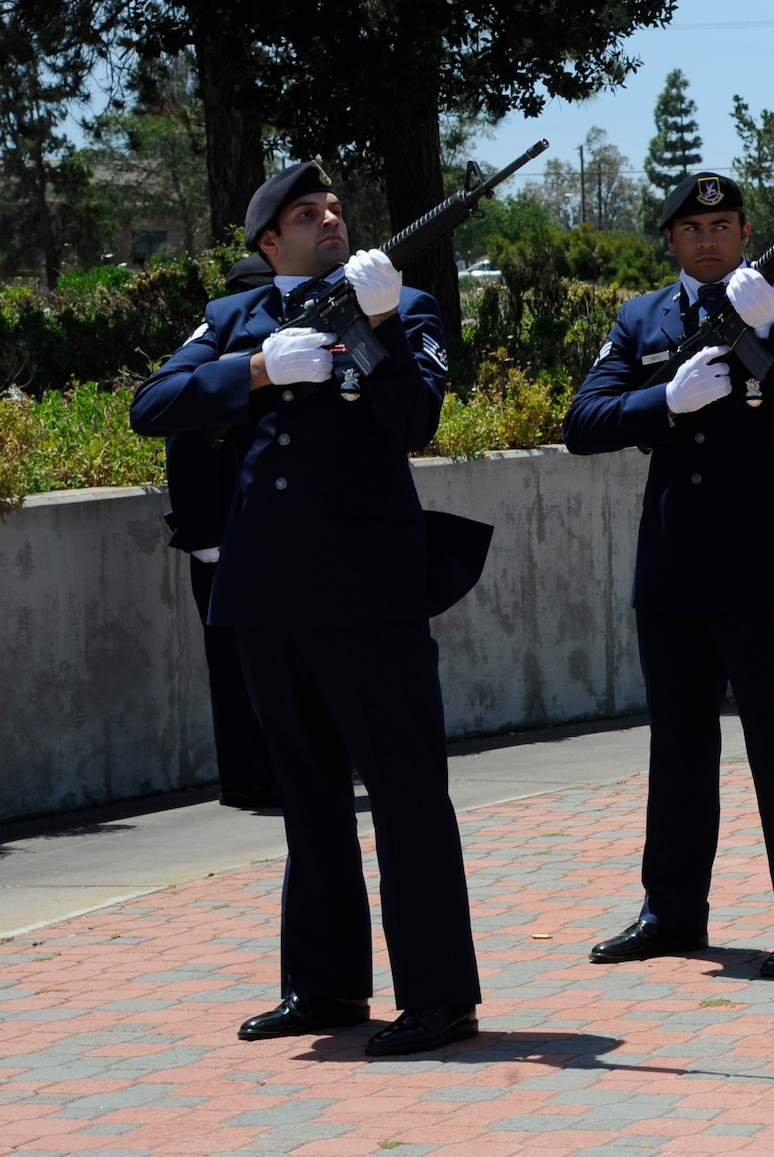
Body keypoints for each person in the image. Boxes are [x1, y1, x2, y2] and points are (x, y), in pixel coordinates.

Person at [130, 162, 481, 1056]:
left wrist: (384, 323)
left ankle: (439, 995)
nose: (329, 218)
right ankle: (323, 986)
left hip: (368, 588)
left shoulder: (401, 304)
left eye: (335, 207)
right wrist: (253, 369)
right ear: (267, 241)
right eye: (306, 211)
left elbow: (416, 423)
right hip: (266, 590)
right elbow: (152, 405)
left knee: (405, 794)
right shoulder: (231, 318)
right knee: (308, 798)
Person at [563, 171, 774, 978]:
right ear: (672, 241)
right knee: (679, 748)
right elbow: (582, 421)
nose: (710, 239)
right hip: (675, 565)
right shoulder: (641, 319)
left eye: (724, 223)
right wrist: (664, 399)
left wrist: (772, 335)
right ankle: (672, 910)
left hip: (762, 565)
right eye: (693, 229)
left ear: (745, 231)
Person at [163, 254, 280, 811]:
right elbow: (184, 444)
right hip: (223, 543)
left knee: (253, 671)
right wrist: (207, 538)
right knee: (238, 674)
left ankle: (261, 774)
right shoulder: (229, 362)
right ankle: (250, 779)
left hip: (239, 539)